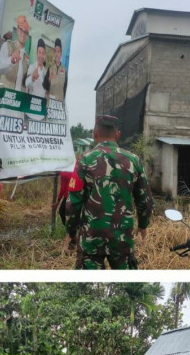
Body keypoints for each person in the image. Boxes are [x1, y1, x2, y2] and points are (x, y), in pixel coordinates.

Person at [64, 114, 153, 269]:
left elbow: (74, 202)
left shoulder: (85, 159)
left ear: (94, 133)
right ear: (117, 134)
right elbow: (144, 199)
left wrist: (71, 232)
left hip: (91, 238)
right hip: (122, 238)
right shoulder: (133, 160)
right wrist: (143, 225)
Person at [0, 15, 30, 91]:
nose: (23, 34)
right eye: (21, 29)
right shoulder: (7, 46)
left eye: (26, 32)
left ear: (27, 36)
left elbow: (25, 83)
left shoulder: (27, 57)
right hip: (5, 96)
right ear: (17, 30)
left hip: (19, 99)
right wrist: (11, 60)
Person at [43, 37, 67, 102]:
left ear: (61, 53)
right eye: (55, 51)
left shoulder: (64, 70)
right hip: (50, 104)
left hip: (59, 105)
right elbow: (44, 86)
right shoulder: (50, 68)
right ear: (53, 53)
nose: (57, 54)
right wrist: (48, 80)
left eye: (58, 51)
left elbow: (65, 88)